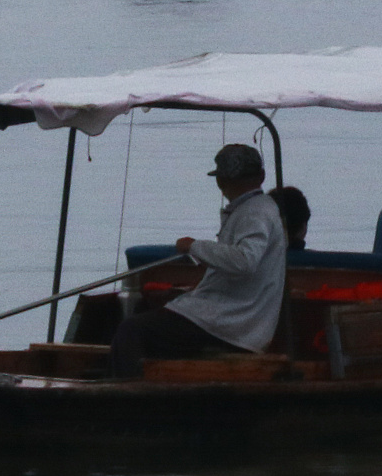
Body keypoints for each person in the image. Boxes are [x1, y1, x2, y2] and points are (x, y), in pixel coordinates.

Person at [109, 142, 287, 375]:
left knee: (131, 330)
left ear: (220, 182)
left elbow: (245, 261)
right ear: (262, 176)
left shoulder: (255, 212)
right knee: (153, 321)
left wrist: (194, 246)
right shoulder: (254, 209)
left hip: (231, 325)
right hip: (231, 319)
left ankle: (128, 397)